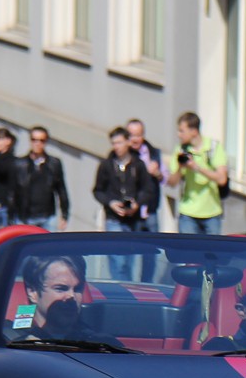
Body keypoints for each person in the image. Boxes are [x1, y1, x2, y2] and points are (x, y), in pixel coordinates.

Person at [94, 127, 157, 280]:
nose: (117, 147)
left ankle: (129, 291)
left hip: (133, 220)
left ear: (128, 142)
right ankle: (118, 289)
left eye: (120, 143)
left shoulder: (138, 165)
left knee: (130, 261)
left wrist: (137, 204)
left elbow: (148, 189)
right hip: (113, 218)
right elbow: (98, 190)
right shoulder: (106, 165)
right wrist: (111, 203)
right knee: (117, 260)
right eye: (114, 143)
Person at [14, 255, 116, 344]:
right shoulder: (7, 341)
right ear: (33, 292)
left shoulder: (102, 345)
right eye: (61, 289)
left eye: (77, 289)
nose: (71, 296)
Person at [166, 111, 228, 235]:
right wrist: (180, 168)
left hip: (212, 213)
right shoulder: (181, 150)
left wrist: (197, 167)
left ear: (194, 131)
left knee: (212, 253)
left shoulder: (213, 147)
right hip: (188, 213)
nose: (179, 135)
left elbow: (222, 179)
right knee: (188, 253)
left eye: (182, 131)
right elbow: (172, 183)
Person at [19, 126, 70, 231]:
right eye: (34, 140)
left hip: (48, 216)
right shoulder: (20, 164)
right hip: (26, 217)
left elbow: (61, 190)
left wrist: (64, 215)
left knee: (49, 246)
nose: (37, 143)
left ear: (46, 142)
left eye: (41, 140)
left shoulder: (54, 163)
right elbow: (13, 192)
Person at [125, 119, 164, 232]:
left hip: (150, 211)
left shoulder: (154, 153)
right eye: (131, 135)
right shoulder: (123, 155)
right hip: (131, 214)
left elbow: (166, 180)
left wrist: (157, 173)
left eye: (138, 135)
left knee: (154, 247)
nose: (135, 140)